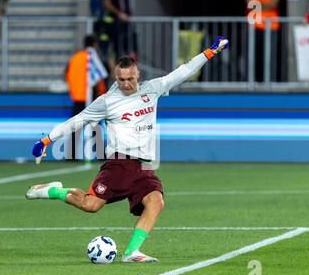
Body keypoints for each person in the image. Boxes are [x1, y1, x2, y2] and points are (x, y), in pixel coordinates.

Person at [25, 36, 229, 263]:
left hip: (144, 166)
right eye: (121, 79)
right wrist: (46, 141)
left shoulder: (152, 89)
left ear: (138, 75)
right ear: (116, 77)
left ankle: (132, 252)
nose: (126, 84)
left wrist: (210, 52)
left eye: (130, 78)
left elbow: (184, 71)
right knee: (91, 205)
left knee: (155, 201)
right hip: (119, 164)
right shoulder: (107, 101)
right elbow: (78, 120)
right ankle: (52, 191)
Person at [65, 35, 108, 160]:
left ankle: (71, 155)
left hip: (78, 97)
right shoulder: (93, 58)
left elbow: (67, 74)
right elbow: (99, 78)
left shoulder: (75, 58)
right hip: (91, 97)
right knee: (96, 126)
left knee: (75, 128)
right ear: (94, 44)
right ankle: (100, 154)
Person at [246, 0, 280, 82]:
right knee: (254, 56)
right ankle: (255, 81)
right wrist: (266, 5)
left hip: (271, 27)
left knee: (271, 56)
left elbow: (274, 3)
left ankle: (271, 81)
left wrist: (258, 5)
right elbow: (249, 3)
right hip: (254, 27)